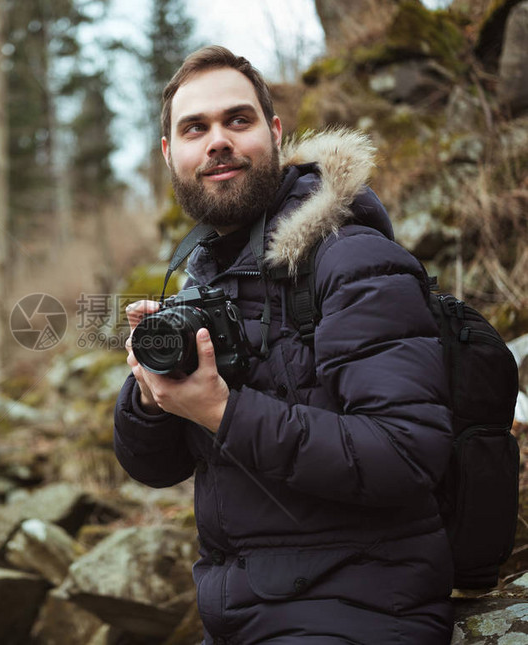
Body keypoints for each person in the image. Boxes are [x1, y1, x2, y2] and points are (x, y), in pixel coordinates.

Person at [114, 45, 454, 644]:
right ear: (171, 155)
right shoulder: (206, 277)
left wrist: (219, 410)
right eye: (195, 128)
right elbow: (153, 466)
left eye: (237, 120)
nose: (217, 140)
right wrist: (151, 391)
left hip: (362, 609)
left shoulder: (351, 257)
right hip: (243, 616)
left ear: (273, 134)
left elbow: (406, 454)